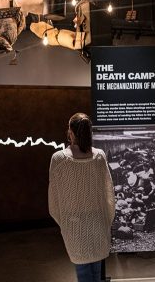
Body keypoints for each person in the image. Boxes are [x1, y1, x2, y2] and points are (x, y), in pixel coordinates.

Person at [48, 113, 115, 282]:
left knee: (84, 273)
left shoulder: (59, 159)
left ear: (70, 132)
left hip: (74, 223)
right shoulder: (99, 156)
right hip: (98, 221)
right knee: (96, 272)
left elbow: (54, 199)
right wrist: (107, 219)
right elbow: (108, 192)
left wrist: (63, 222)